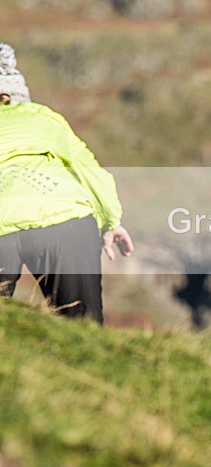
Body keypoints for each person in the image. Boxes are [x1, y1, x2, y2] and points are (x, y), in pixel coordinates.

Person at [0, 42, 134, 324]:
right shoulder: (46, 119)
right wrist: (112, 222)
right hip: (65, 220)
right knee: (83, 325)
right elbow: (91, 171)